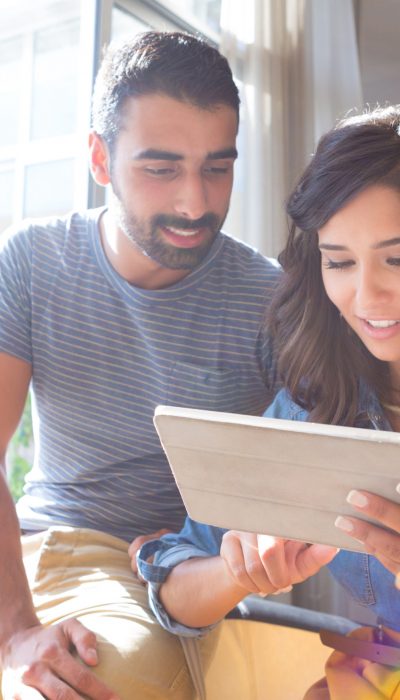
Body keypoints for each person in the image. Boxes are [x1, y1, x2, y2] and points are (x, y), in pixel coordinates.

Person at [0, 31, 282, 700]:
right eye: (161, 168)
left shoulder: (270, 299)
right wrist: (14, 629)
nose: (195, 202)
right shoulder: (33, 264)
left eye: (218, 167)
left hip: (179, 570)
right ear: (100, 158)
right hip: (49, 545)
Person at [136, 105, 400, 696]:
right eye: (339, 262)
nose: (366, 295)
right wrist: (238, 572)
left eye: (396, 258)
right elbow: (177, 584)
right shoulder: (317, 406)